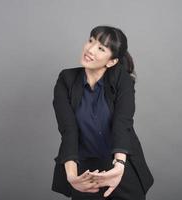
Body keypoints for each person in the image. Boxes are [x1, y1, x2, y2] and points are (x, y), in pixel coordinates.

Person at [51, 25, 154, 200]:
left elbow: (123, 123)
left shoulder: (121, 78)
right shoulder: (66, 79)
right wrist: (72, 177)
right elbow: (68, 130)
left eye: (101, 48)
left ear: (111, 61)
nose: (90, 49)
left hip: (120, 166)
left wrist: (119, 166)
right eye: (91, 41)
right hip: (86, 172)